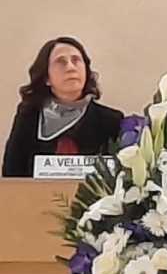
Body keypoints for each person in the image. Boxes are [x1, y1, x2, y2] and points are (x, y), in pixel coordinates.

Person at [2, 37, 124, 178]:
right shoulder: (30, 115)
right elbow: (12, 173)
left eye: (76, 60)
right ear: (46, 77)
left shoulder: (111, 120)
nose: (71, 67)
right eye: (61, 61)